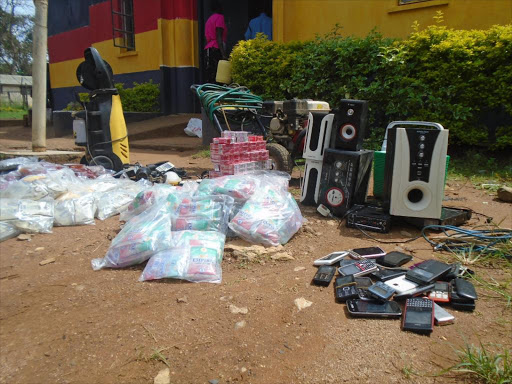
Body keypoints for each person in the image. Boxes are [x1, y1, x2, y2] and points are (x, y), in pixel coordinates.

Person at [204, 1, 228, 84]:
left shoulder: (209, 20)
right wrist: (224, 55)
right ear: (219, 8)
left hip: (208, 49)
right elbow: (219, 36)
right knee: (219, 77)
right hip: (216, 49)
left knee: (210, 76)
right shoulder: (220, 17)